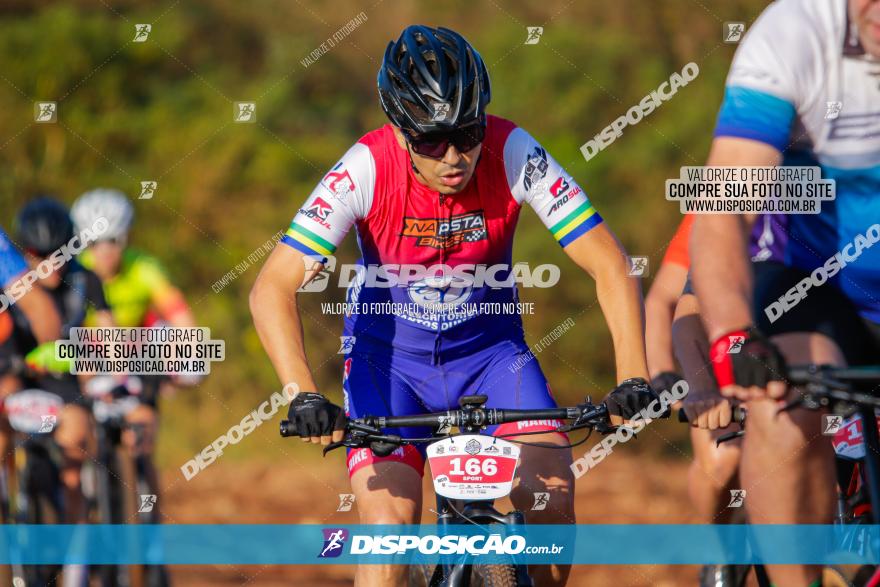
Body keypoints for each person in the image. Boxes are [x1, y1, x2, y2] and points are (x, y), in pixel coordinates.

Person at [251, 25, 660, 587]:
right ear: (400, 133)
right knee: (387, 542)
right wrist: (302, 395)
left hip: (494, 360)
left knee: (551, 508)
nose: (454, 156)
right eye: (430, 140)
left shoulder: (514, 151)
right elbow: (271, 287)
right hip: (389, 366)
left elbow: (610, 264)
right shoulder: (364, 169)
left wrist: (633, 376)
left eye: (467, 133)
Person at [690, 1, 880, 585]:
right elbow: (720, 217)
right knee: (785, 394)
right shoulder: (795, 30)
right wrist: (732, 338)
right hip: (821, 286)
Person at [70, 188, 198, 521]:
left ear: (125, 239)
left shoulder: (144, 267)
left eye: (113, 240)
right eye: (95, 242)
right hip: (86, 361)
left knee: (141, 441)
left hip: (137, 363)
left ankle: (150, 537)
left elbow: (181, 317)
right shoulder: (74, 272)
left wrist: (186, 362)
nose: (104, 251)